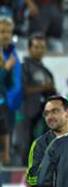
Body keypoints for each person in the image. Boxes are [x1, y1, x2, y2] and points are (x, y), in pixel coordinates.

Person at [18, 34, 56, 165]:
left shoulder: (47, 71)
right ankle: (23, 176)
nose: (39, 50)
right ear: (29, 49)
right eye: (36, 47)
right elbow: (23, 89)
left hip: (45, 114)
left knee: (43, 146)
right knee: (25, 144)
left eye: (42, 47)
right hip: (27, 111)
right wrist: (43, 87)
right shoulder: (24, 67)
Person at [0, 16, 22, 165]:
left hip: (11, 107)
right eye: (2, 31)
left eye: (8, 31)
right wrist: (5, 69)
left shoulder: (13, 54)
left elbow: (12, 82)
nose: (6, 35)